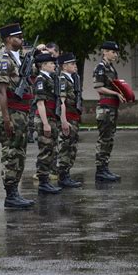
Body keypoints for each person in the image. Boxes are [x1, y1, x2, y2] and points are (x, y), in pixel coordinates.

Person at [0, 23, 36, 208]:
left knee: (20, 153)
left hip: (22, 112)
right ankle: (10, 194)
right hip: (12, 112)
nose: (21, 39)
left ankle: (15, 192)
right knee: (11, 153)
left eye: (21, 36)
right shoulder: (5, 61)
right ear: (8, 39)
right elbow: (2, 92)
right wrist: (6, 118)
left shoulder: (20, 59)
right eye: (17, 36)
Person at [94, 41, 125, 183]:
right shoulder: (100, 68)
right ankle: (100, 170)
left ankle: (105, 167)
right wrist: (116, 93)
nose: (115, 54)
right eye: (113, 52)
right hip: (105, 108)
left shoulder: (111, 68)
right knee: (104, 139)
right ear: (105, 52)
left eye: (116, 52)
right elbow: (99, 87)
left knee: (109, 138)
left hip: (112, 108)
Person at [34, 53, 63, 194]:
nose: (54, 65)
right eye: (51, 63)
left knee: (51, 149)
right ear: (43, 65)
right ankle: (43, 182)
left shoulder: (51, 78)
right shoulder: (40, 79)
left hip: (52, 118)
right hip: (44, 119)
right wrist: (45, 124)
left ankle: (45, 181)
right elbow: (40, 103)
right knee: (45, 151)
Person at [57, 53, 83, 188]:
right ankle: (63, 176)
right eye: (72, 64)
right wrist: (63, 121)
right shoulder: (62, 80)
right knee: (65, 147)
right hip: (67, 117)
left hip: (73, 117)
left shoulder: (72, 78)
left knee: (72, 147)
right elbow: (62, 102)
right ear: (64, 66)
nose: (75, 66)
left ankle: (66, 173)